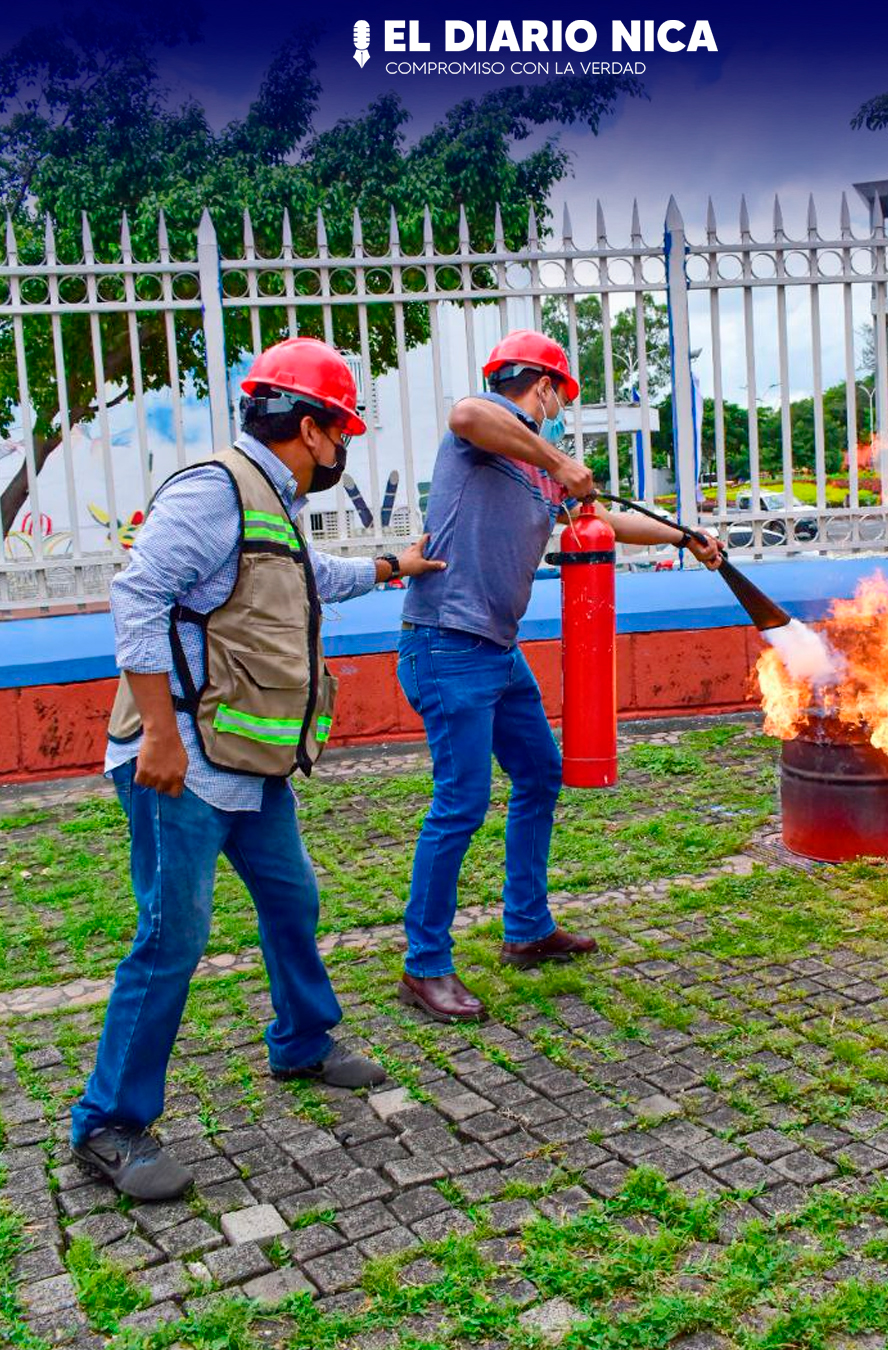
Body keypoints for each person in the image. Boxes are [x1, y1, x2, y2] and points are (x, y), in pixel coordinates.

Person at [71, 337, 444, 1201]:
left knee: (293, 898)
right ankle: (109, 1124)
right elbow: (137, 595)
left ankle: (303, 1040)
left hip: (247, 757)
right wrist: (159, 734)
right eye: (341, 432)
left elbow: (304, 580)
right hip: (182, 763)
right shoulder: (214, 488)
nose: (343, 449)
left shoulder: (267, 501)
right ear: (311, 429)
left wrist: (394, 567)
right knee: (173, 938)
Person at [397, 329, 722, 1022]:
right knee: (460, 802)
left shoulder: (539, 468)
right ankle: (424, 967)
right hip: (447, 642)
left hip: (496, 651)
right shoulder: (486, 430)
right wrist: (559, 457)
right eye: (557, 396)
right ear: (541, 386)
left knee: (541, 773)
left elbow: (600, 521)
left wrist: (683, 537)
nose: (556, 410)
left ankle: (527, 930)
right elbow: (466, 412)